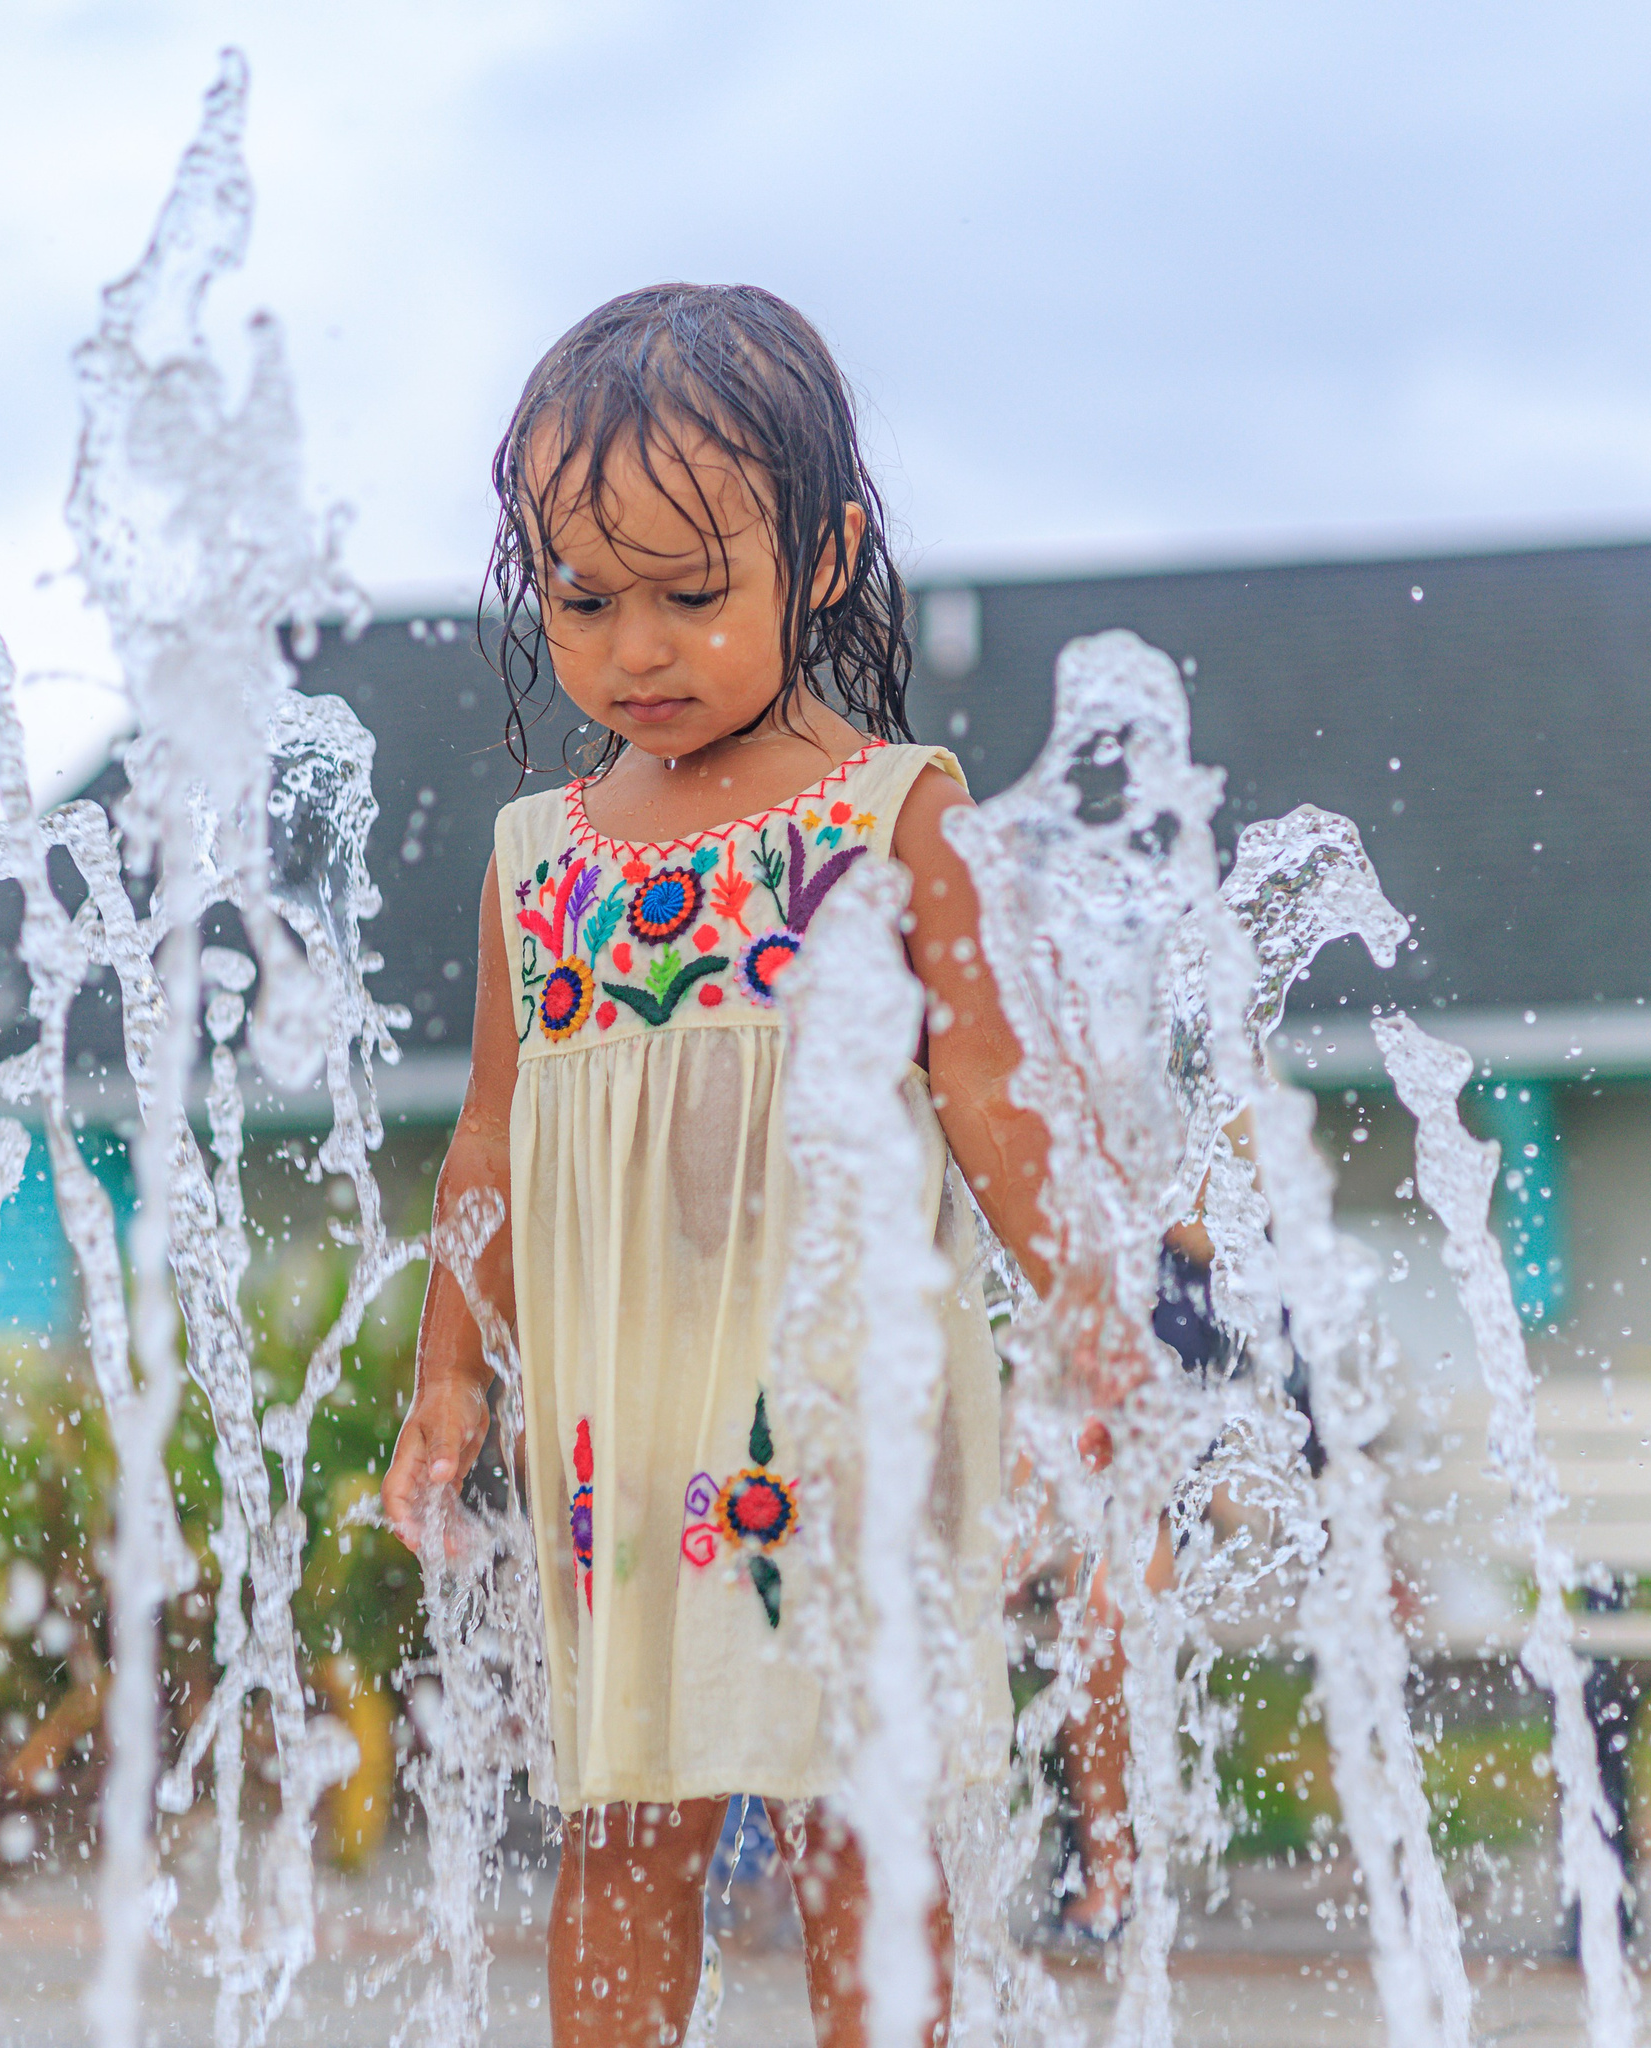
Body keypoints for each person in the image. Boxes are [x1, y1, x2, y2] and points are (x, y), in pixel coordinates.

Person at [380, 285, 1109, 2048]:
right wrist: (446, 1375)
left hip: (838, 1410)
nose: (638, 647)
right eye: (583, 598)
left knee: (857, 1814)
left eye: (694, 594)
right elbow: (490, 1131)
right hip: (618, 1421)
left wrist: (1094, 1322)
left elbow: (994, 1094)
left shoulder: (889, 816)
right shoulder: (536, 858)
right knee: (623, 1816)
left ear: (831, 555)